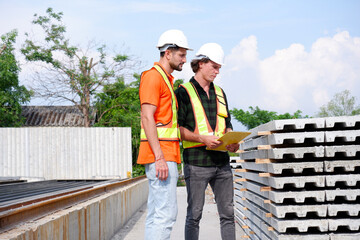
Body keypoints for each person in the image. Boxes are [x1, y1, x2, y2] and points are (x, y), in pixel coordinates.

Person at [175, 43, 239, 240]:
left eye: (219, 67)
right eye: (214, 66)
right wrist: (201, 138)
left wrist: (231, 139)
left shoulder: (220, 92)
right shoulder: (183, 92)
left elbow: (226, 123)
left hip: (222, 162)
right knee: (194, 215)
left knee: (228, 214)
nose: (217, 71)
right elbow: (178, 129)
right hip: (196, 163)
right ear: (201, 64)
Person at [137, 29, 192, 240]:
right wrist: (159, 157)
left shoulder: (165, 80)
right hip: (161, 156)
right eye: (181, 55)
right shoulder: (153, 77)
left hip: (166, 155)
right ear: (168, 53)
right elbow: (147, 118)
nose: (185, 60)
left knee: (156, 214)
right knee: (165, 214)